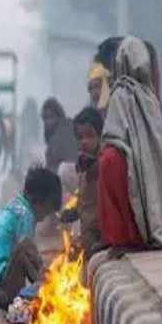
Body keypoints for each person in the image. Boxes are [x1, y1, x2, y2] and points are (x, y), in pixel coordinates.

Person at [97, 36, 162, 253]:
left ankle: (122, 237)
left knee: (109, 160)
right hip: (144, 165)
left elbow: (112, 136)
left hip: (122, 165)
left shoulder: (119, 93)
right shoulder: (150, 97)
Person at [0, 165, 62, 309]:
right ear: (37, 200)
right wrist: (43, 275)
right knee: (25, 248)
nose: (45, 217)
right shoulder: (25, 215)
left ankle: (43, 285)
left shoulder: (15, 205)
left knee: (27, 250)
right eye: (47, 210)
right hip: (3, 290)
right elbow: (28, 251)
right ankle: (46, 288)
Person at [73, 106, 105, 257]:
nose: (84, 142)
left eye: (90, 136)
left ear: (100, 136)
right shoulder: (83, 166)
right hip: (88, 240)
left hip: (101, 241)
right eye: (80, 138)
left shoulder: (105, 164)